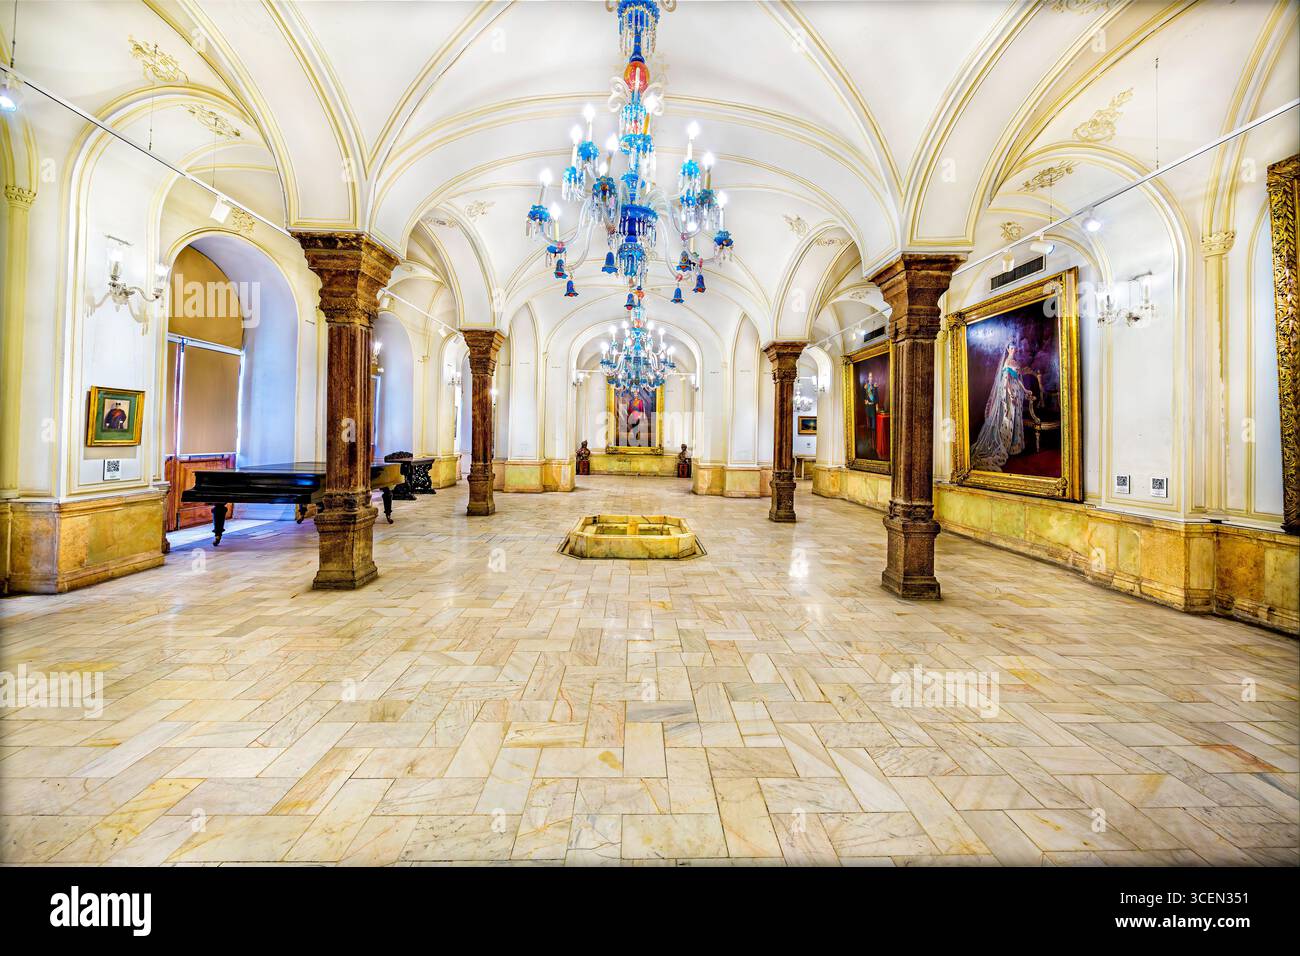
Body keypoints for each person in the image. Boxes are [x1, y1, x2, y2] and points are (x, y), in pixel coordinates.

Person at [970, 341, 1033, 471]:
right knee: (1008, 418)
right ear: (1008, 349)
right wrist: (1010, 395)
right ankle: (1006, 445)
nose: (1013, 350)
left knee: (1016, 419)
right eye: (1011, 348)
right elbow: (1006, 381)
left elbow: (1018, 380)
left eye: (1015, 348)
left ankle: (1015, 446)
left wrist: (1025, 390)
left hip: (1017, 392)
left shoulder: (1016, 363)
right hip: (1009, 394)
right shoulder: (1007, 363)